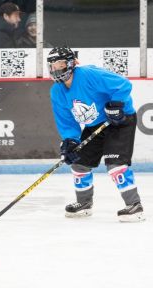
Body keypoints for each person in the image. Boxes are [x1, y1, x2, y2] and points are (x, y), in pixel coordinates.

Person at [47, 46, 144, 222]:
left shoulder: (88, 74)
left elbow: (123, 84)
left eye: (60, 64)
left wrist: (116, 105)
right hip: (96, 125)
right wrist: (70, 141)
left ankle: (134, 206)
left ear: (71, 63)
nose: (56, 69)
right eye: (53, 65)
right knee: (79, 162)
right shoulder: (56, 91)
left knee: (115, 164)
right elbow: (67, 121)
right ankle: (84, 204)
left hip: (119, 121)